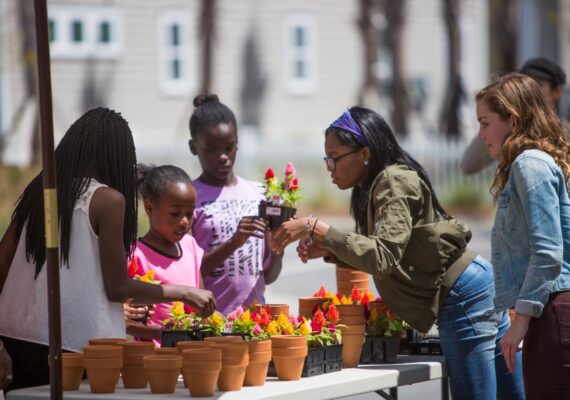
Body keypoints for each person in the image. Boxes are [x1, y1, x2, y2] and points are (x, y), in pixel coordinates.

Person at [271, 106, 525, 400]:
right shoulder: (378, 183)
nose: (330, 166)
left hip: (463, 297)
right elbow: (392, 251)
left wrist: (316, 228)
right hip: (471, 290)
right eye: (327, 158)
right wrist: (328, 247)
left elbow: (382, 257)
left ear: (365, 153)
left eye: (336, 157)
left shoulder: (391, 181)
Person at [0, 108, 215, 393]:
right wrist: (185, 292)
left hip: (16, 338)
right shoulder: (107, 200)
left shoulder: (40, 194)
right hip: (76, 344)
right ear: (116, 154)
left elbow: (2, 265)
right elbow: (117, 287)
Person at [476, 72, 570, 398]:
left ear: (512, 121)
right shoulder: (529, 163)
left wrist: (521, 322)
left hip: (554, 313)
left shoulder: (529, 164)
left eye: (485, 123)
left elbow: (548, 251)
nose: (480, 134)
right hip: (549, 312)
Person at [189, 93, 283, 315]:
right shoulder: (189, 198)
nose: (223, 156)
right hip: (210, 326)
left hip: (254, 324)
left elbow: (268, 276)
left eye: (229, 147)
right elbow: (189, 274)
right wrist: (233, 243)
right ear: (194, 147)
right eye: (211, 149)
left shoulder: (258, 194)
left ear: (238, 144)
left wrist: (279, 247)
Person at [124, 164, 204, 345]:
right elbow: (126, 321)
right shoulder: (136, 255)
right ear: (150, 208)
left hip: (191, 355)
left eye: (190, 214)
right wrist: (162, 333)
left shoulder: (190, 246)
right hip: (153, 361)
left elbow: (200, 300)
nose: (184, 222)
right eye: (175, 213)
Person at [461, 57, 568, 174]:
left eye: (537, 85)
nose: (528, 91)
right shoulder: (511, 128)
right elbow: (468, 165)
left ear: (557, 90)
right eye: (524, 85)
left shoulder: (565, 133)